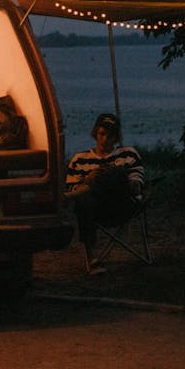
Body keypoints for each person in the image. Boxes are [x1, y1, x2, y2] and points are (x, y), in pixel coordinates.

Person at [66, 112, 145, 274]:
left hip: (122, 205)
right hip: (95, 210)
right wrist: (89, 178)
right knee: (84, 199)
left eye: (110, 136)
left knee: (114, 173)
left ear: (116, 138)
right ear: (95, 133)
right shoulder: (80, 159)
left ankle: (64, 198)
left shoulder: (128, 154)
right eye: (102, 134)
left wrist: (109, 176)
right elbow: (73, 187)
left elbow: (136, 186)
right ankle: (92, 259)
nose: (105, 139)